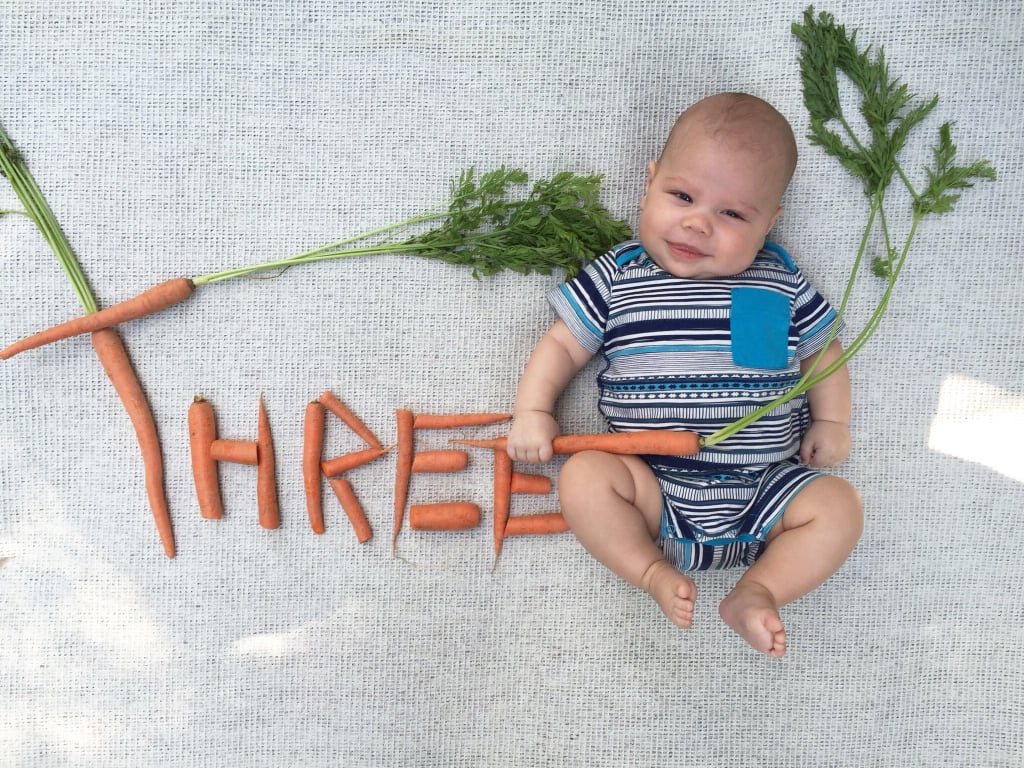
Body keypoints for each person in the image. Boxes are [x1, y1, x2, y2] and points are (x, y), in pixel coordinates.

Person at [506, 92, 863, 658]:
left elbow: (825, 354)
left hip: (764, 488)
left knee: (839, 507)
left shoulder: (779, 282)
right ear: (649, 183)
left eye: (732, 214)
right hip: (652, 486)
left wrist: (833, 420)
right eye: (682, 196)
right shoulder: (619, 275)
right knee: (583, 479)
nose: (698, 223)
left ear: (770, 222)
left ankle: (757, 590)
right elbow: (561, 347)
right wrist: (534, 411)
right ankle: (649, 570)